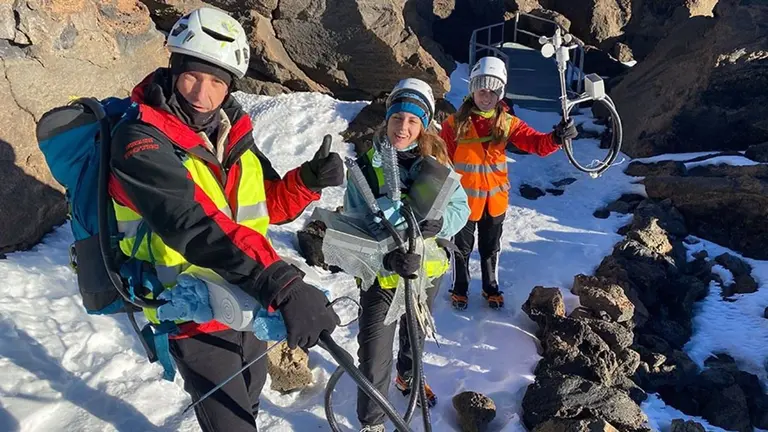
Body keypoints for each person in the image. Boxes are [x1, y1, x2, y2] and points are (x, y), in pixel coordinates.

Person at [108, 8, 342, 431]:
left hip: (245, 300)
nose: (202, 93)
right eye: (193, 76)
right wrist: (280, 281)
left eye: (217, 82)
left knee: (249, 400)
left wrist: (307, 180)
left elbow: (264, 205)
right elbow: (191, 223)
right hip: (189, 307)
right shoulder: (139, 140)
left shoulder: (232, 135)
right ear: (174, 67)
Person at [342, 78, 470, 432]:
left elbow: (462, 208)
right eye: (398, 118)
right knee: (373, 353)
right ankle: (372, 423)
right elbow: (353, 224)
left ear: (424, 125)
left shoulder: (436, 163)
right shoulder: (368, 166)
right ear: (388, 119)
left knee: (415, 334)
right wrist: (385, 258)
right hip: (380, 276)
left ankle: (409, 377)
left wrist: (440, 223)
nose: (404, 127)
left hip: (425, 273)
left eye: (413, 121)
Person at [440, 56, 578, 310]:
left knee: (491, 248)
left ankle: (490, 287)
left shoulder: (507, 123)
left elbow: (536, 143)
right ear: (472, 89)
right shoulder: (453, 125)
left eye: (494, 90)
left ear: (500, 93)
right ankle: (460, 288)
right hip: (463, 202)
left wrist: (558, 137)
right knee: (462, 247)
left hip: (495, 201)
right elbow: (439, 158)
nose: (487, 95)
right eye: (482, 88)